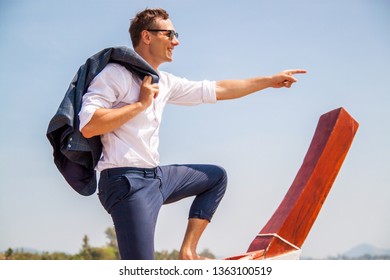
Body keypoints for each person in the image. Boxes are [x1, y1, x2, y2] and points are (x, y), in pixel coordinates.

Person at [78, 8, 306, 260]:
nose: (176, 40)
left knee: (216, 177)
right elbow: (89, 124)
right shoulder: (115, 75)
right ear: (147, 36)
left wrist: (269, 81)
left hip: (156, 177)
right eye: (169, 33)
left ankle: (188, 251)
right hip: (126, 182)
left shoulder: (164, 82)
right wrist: (140, 105)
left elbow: (218, 88)